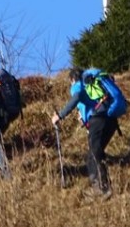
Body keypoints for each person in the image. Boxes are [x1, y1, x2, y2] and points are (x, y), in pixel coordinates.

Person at [51, 68, 120, 197]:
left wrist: (60, 116)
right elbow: (91, 105)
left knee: (94, 154)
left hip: (98, 120)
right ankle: (101, 187)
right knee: (93, 154)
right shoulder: (91, 85)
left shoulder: (78, 85)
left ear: (72, 79)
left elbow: (76, 97)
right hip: (111, 120)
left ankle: (102, 188)